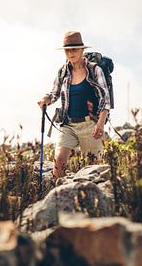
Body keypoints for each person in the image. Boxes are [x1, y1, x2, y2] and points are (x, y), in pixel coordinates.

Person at [38, 31, 111, 180]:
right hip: (68, 125)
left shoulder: (94, 70)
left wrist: (100, 123)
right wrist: (47, 99)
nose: (71, 53)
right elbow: (55, 93)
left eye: (74, 49)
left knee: (94, 170)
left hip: (90, 125)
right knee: (59, 161)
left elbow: (105, 99)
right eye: (67, 50)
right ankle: (57, 196)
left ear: (82, 50)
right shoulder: (63, 72)